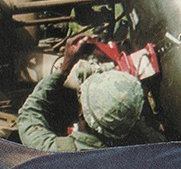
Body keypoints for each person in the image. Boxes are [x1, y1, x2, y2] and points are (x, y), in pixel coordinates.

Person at [17, 33, 161, 152]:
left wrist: (64, 67)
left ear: (81, 112)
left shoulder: (57, 152)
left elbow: (28, 115)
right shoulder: (151, 148)